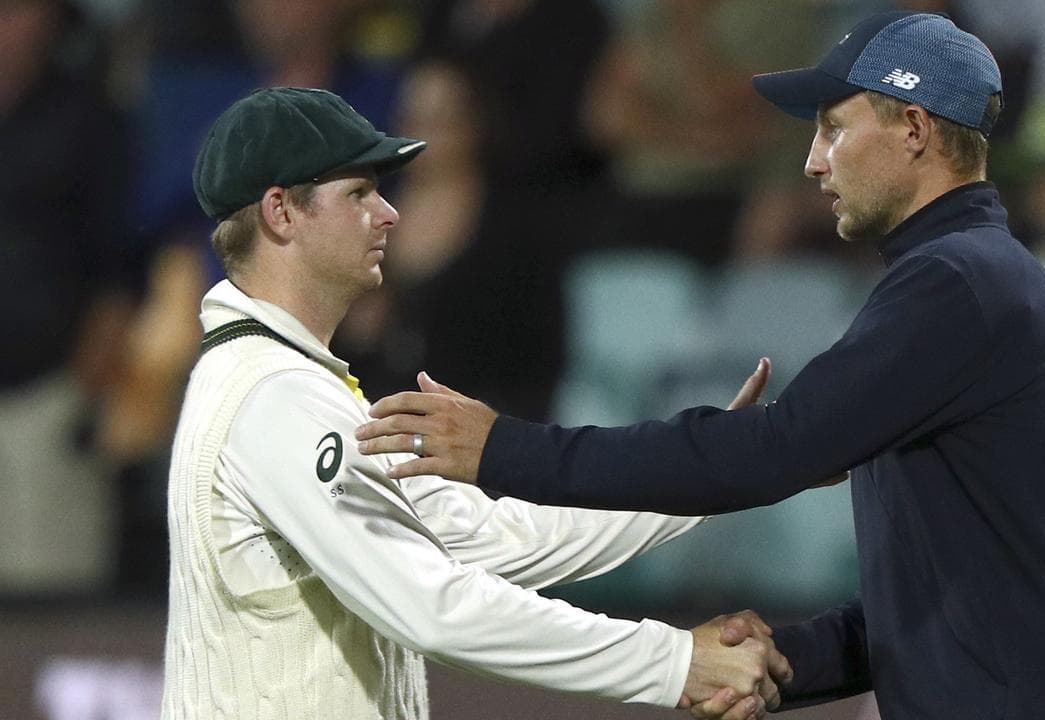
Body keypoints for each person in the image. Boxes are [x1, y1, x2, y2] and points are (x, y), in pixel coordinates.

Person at [355, 11, 1045, 719]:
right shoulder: (979, 276)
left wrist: (501, 449)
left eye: (832, 129)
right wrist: (778, 665)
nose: (812, 163)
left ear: (915, 129)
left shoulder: (955, 284)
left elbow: (769, 454)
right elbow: (948, 589)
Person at [163, 86, 785, 719]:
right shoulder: (274, 397)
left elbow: (497, 537)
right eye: (358, 194)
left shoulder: (293, 383)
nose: (389, 213)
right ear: (281, 213)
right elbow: (432, 606)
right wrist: (674, 660)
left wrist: (718, 469)